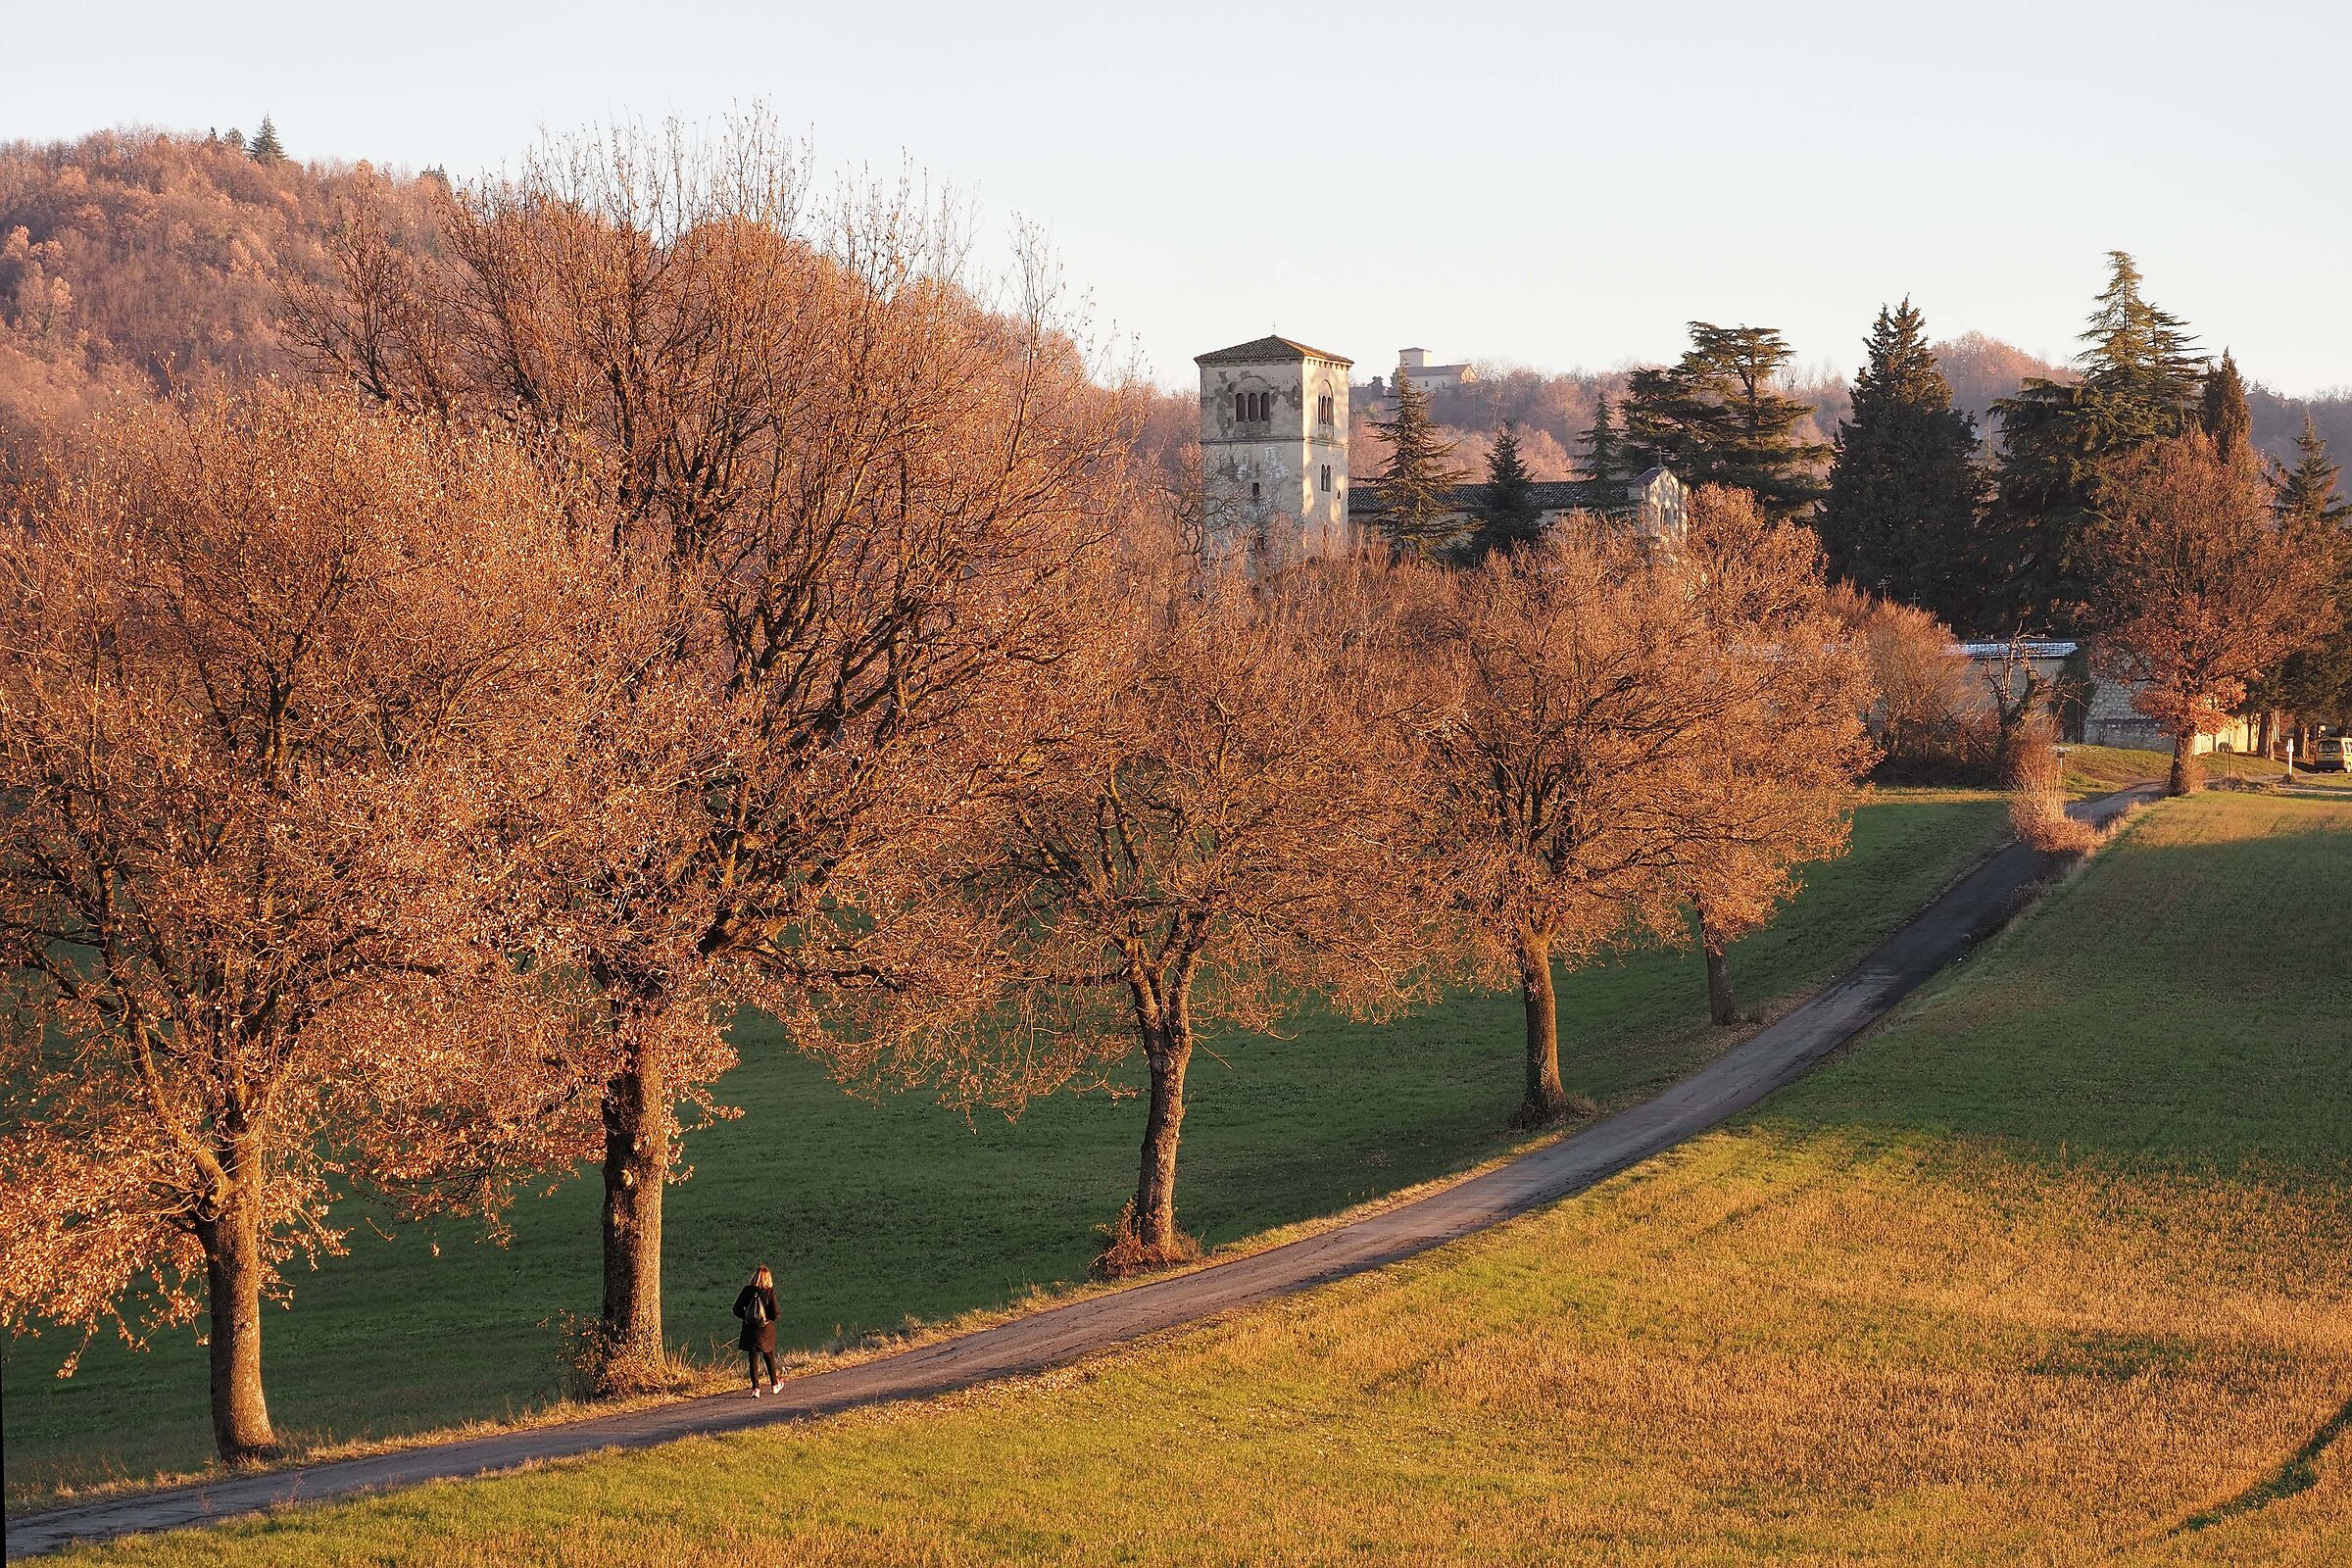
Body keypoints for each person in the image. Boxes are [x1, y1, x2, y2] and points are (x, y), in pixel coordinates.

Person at [733, 1264, 781, 1396]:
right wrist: (766, 1319)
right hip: (766, 1330)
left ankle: (755, 1388)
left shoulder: (746, 1291)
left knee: (753, 1358)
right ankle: (774, 1385)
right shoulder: (770, 1292)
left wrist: (747, 1318)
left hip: (750, 1330)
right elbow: (775, 1313)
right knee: (769, 1355)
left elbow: (736, 1309)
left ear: (754, 1277)